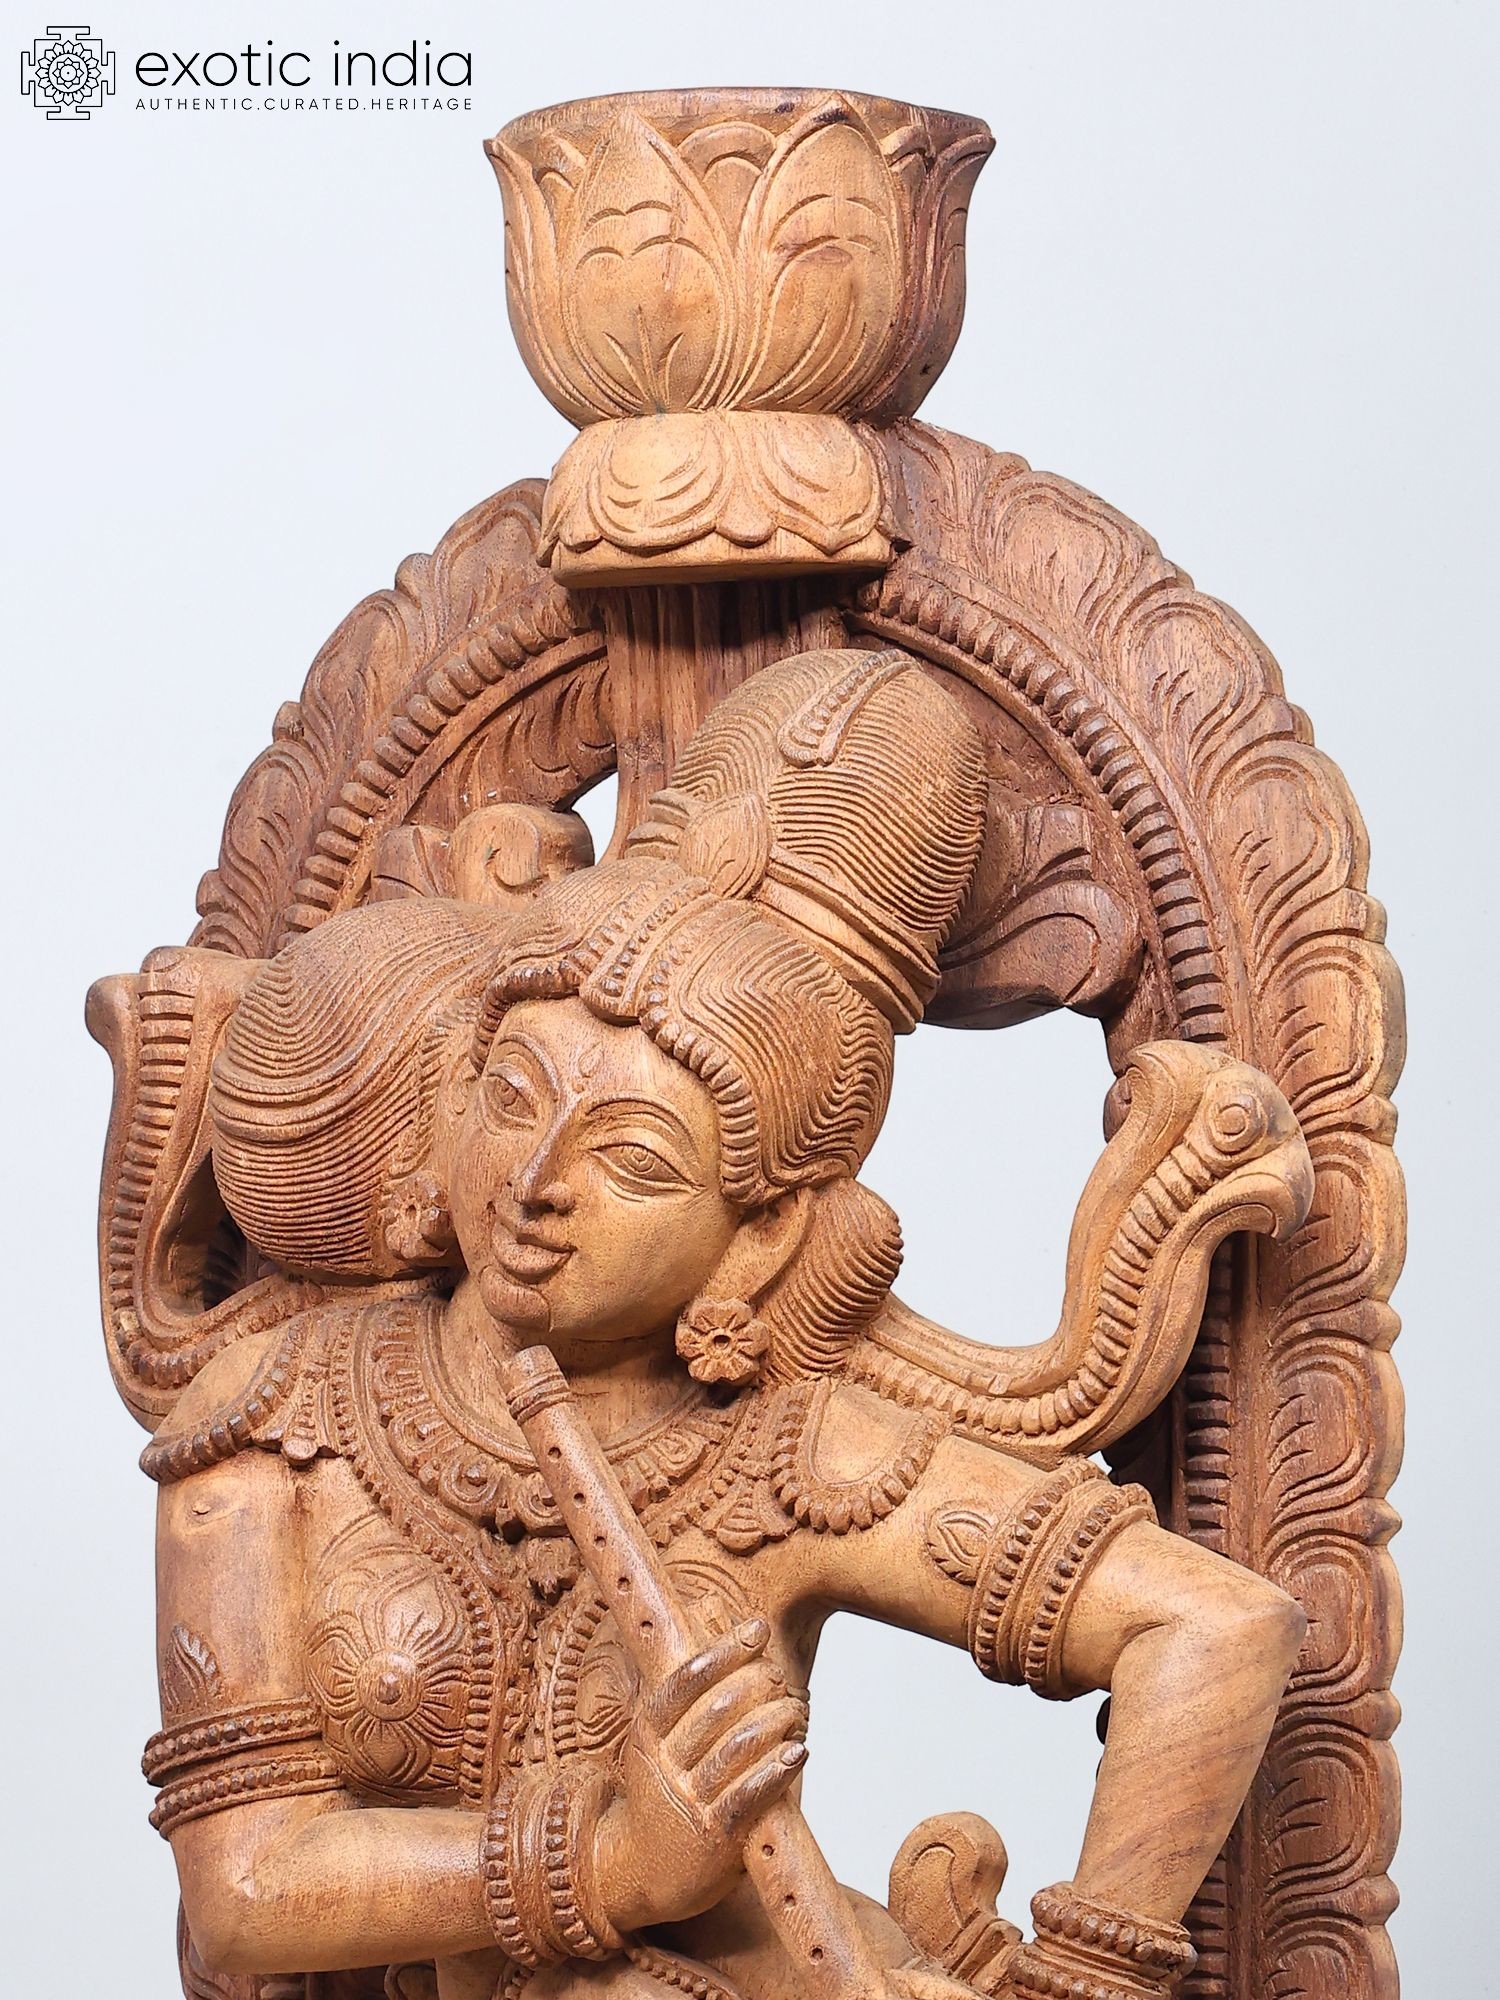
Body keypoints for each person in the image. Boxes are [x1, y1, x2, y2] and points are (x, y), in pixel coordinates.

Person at [146, 648, 1307, 2000]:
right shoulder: (277, 1421)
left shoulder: (781, 1458)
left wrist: (1089, 1975)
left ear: (758, 1238)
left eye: (634, 1159)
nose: (536, 1185)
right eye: (513, 1099)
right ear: (453, 1099)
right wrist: (620, 1861)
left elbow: (1216, 1630)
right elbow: (244, 1893)